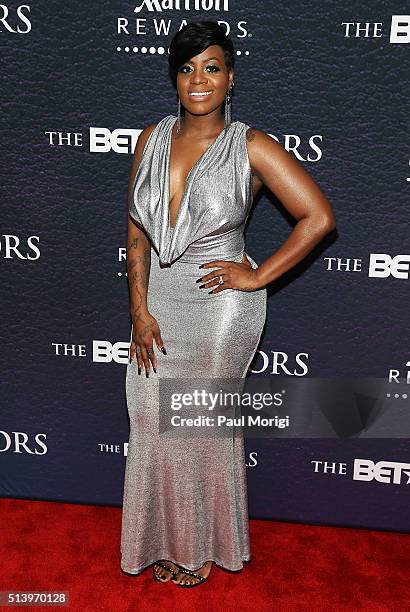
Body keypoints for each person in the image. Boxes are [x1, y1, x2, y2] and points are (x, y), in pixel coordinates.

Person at [120, 21, 336, 588]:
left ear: (230, 77)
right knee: (149, 418)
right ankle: (157, 540)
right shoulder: (150, 138)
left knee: (194, 426)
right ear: (175, 79)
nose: (198, 79)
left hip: (219, 309)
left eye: (211, 67)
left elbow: (318, 218)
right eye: (188, 68)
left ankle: (196, 551)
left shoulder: (251, 146)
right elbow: (136, 231)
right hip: (158, 303)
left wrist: (258, 273)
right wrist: (139, 310)